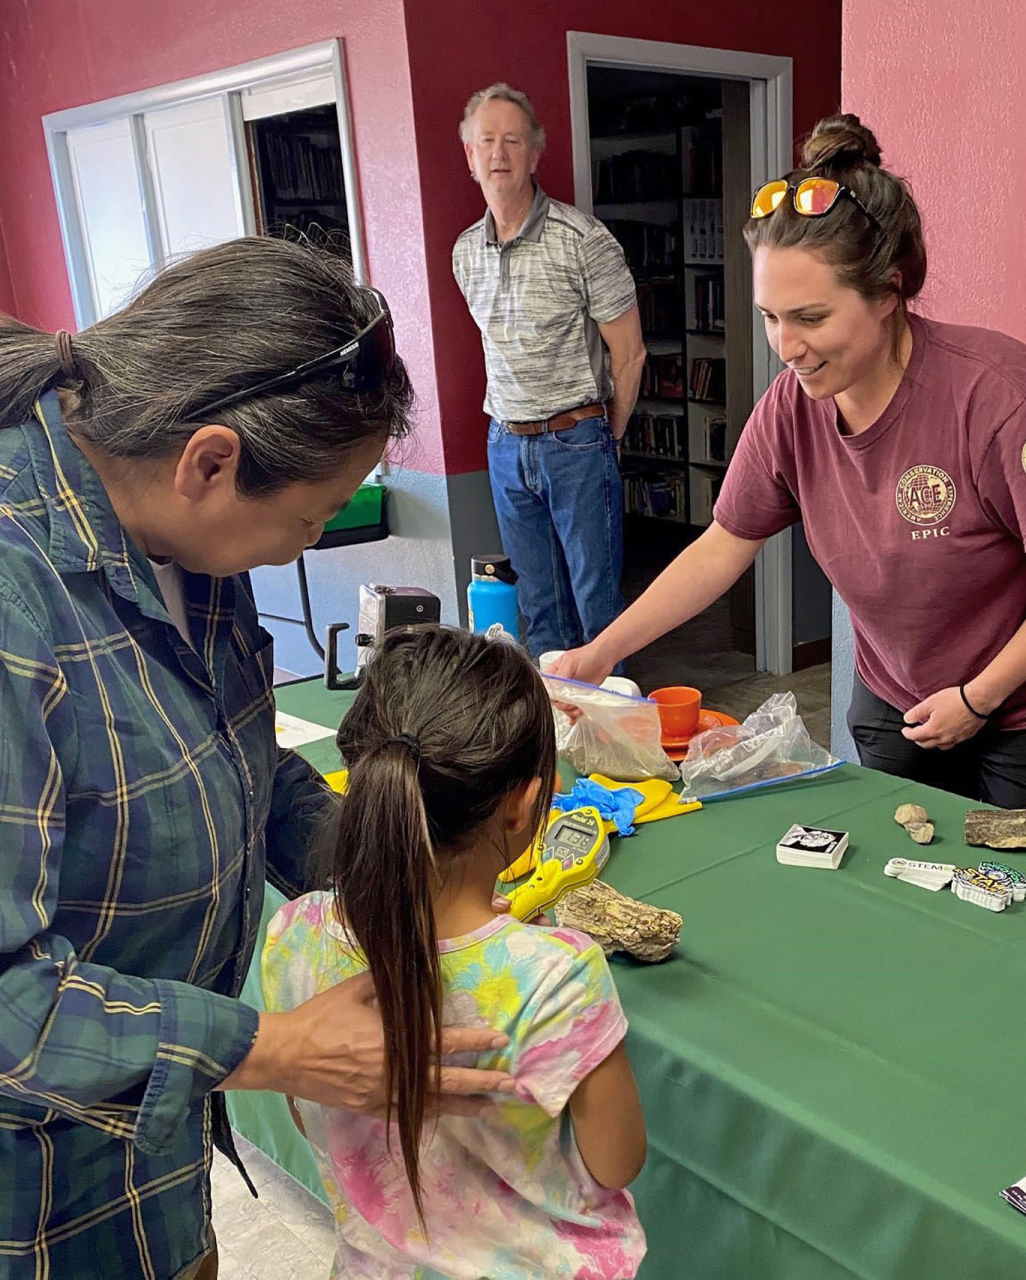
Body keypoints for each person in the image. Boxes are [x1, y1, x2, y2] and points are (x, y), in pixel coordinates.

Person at [0, 238, 518, 1280]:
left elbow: (242, 757)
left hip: (151, 1156)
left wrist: (401, 852)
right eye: (312, 515)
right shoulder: (19, 608)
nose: (305, 542)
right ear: (213, 459)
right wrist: (270, 1045)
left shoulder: (178, 535)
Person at [552, 114, 1026, 840]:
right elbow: (722, 546)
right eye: (770, 317)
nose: (785, 346)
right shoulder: (790, 409)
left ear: (889, 292)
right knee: (903, 877)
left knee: (1021, 906)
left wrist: (980, 698)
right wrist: (601, 649)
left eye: (811, 317)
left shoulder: (995, 396)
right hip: (903, 693)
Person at [261, 625, 647, 1279]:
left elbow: (308, 1118)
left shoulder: (293, 932)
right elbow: (617, 1159)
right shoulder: (560, 975)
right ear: (524, 805)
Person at [453, 83, 647, 660]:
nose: (499, 154)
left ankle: (616, 739)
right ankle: (553, 733)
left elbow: (630, 353)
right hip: (506, 445)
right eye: (486, 141)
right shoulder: (465, 252)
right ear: (470, 156)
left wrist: (605, 435)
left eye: (512, 140)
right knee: (537, 605)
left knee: (599, 608)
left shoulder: (584, 240)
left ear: (535, 153)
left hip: (578, 439)